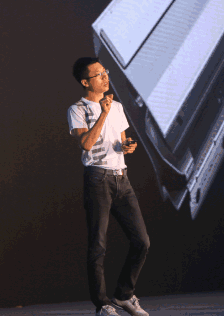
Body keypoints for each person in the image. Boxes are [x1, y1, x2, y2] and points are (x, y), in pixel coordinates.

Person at [67, 57, 150, 316]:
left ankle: (124, 295)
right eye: (99, 74)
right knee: (98, 245)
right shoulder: (77, 109)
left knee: (142, 241)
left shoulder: (118, 107)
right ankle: (102, 304)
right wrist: (103, 113)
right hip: (97, 179)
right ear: (85, 82)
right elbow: (86, 144)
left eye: (105, 72)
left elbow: (121, 142)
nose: (105, 77)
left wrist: (127, 146)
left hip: (121, 178)